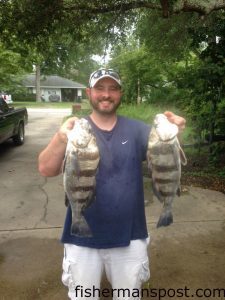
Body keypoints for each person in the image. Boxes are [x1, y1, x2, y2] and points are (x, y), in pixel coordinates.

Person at [38, 68, 186, 300]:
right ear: (89, 92)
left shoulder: (138, 130)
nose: (106, 94)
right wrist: (59, 138)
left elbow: (165, 156)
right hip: (81, 239)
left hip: (130, 237)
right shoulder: (75, 130)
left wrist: (175, 130)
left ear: (120, 93)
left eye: (112, 89)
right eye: (99, 88)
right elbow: (46, 168)